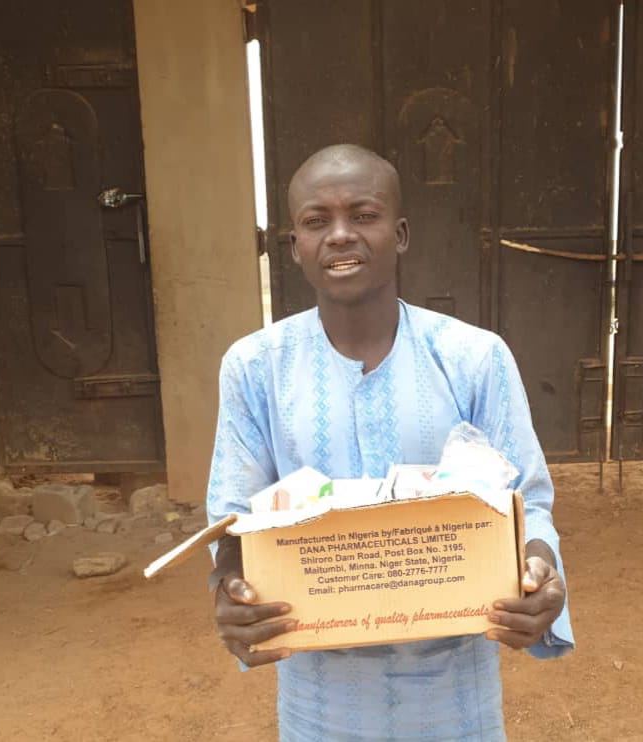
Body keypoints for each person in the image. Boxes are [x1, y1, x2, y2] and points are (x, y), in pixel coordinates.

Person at [207, 144, 574, 741]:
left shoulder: (474, 358)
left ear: (399, 234)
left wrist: (539, 570)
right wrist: (232, 585)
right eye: (316, 221)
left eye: (364, 215)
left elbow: (527, 501)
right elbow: (232, 516)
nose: (340, 235)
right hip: (321, 701)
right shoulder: (255, 368)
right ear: (295, 245)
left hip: (455, 696)